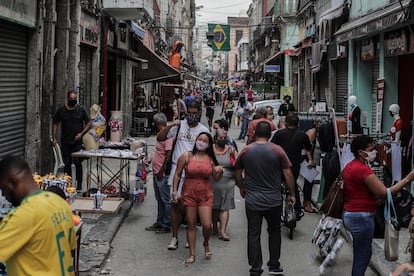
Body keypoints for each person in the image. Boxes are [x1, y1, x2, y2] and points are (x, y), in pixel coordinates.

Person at [342, 135, 414, 276]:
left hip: (351, 214)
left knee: (362, 252)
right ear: (361, 152)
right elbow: (384, 193)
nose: (374, 151)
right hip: (361, 217)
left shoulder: (349, 166)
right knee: (361, 256)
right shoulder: (363, 170)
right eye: (371, 149)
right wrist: (407, 179)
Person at [234, 121, 296, 276]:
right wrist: (292, 193)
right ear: (270, 134)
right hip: (274, 200)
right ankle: (274, 265)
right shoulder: (278, 150)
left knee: (253, 233)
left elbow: (237, 169)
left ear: (254, 133)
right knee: (274, 231)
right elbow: (288, 174)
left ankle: (256, 268)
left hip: (253, 199)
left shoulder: (246, 150)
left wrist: (241, 186)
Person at [0, 155, 77, 275]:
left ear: (13, 182)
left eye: (3, 188)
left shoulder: (22, 216)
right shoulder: (60, 204)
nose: (4, 195)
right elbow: (71, 248)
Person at [156, 100, 209, 250]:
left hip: (193, 171)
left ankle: (189, 233)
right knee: (175, 203)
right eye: (189, 113)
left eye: (194, 113)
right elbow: (160, 138)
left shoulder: (203, 130)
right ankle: (174, 236)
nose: (191, 116)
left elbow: (207, 152)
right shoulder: (179, 126)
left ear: (199, 113)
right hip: (176, 170)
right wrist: (172, 125)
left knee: (189, 205)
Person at [172, 132, 224, 264]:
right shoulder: (187, 156)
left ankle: (206, 243)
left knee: (207, 225)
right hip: (189, 193)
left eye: (205, 140)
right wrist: (174, 192)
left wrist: (220, 172)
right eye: (200, 139)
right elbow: (177, 174)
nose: (201, 142)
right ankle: (192, 254)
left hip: (205, 194)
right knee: (191, 224)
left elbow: (216, 179)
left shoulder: (210, 159)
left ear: (209, 144)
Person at [271, 113, 313, 219]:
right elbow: (308, 148)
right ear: (298, 123)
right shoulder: (302, 135)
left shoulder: (279, 134)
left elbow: (272, 147)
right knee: (293, 187)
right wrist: (310, 160)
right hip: (294, 165)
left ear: (286, 123)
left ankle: (276, 212)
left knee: (278, 188)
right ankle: (298, 210)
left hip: (279, 164)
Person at [52, 91, 91, 190]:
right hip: (65, 141)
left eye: (75, 99)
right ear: (67, 99)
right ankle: (68, 183)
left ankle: (79, 184)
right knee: (67, 163)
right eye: (71, 98)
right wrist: (54, 137)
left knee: (77, 162)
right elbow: (55, 123)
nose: (73, 100)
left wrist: (81, 134)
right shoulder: (61, 111)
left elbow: (88, 122)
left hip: (77, 142)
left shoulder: (81, 110)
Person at [145, 113, 173, 234]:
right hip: (156, 171)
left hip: (161, 172)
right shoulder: (161, 135)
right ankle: (160, 221)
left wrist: (162, 170)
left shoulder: (167, 136)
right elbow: (158, 150)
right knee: (159, 199)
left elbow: (168, 154)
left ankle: (166, 224)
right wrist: (151, 160)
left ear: (157, 124)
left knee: (165, 199)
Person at [212, 129, 238, 241]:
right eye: (220, 138)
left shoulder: (231, 150)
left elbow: (238, 164)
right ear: (215, 138)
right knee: (214, 207)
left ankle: (222, 230)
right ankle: (214, 227)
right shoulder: (210, 149)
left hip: (228, 181)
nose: (222, 140)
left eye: (224, 138)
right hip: (213, 181)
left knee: (225, 207)